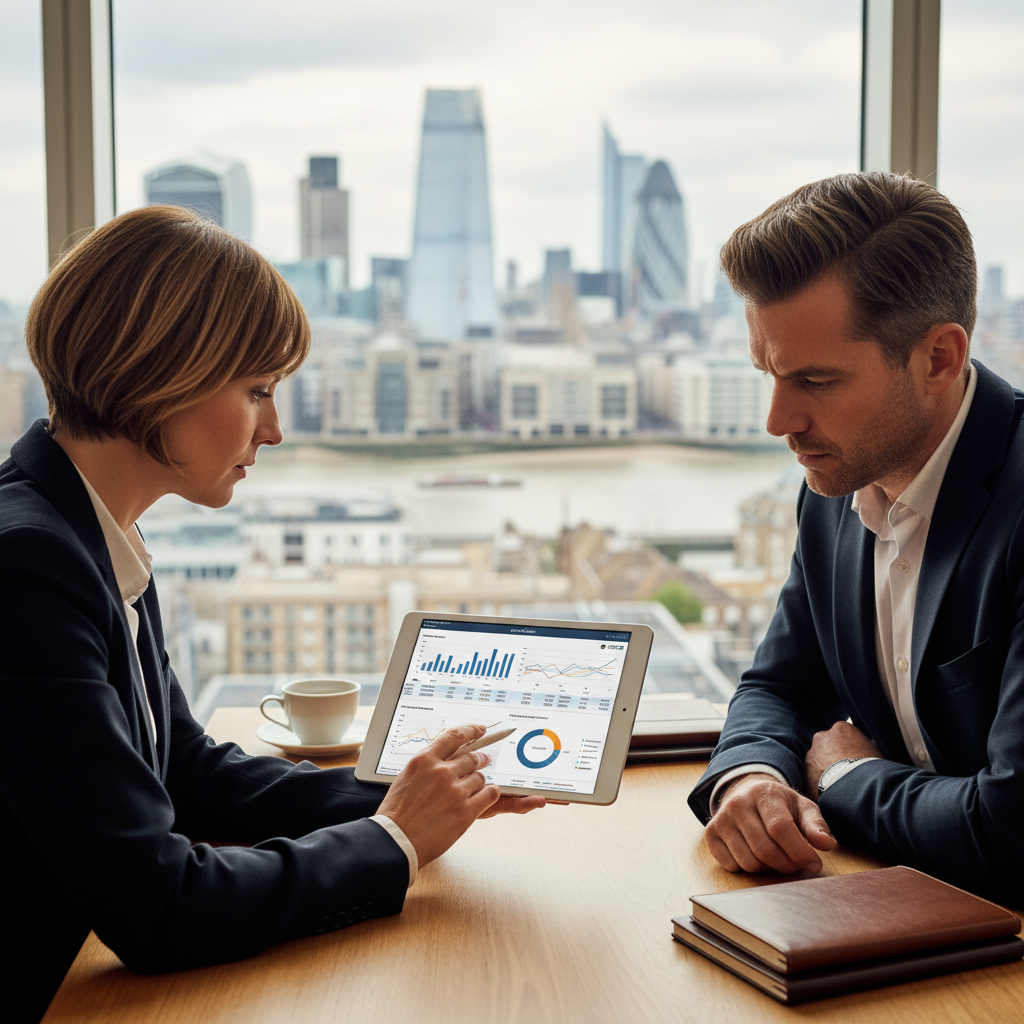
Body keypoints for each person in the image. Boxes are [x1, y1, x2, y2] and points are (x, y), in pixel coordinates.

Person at [1, 205, 544, 1023]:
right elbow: (160, 907)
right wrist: (393, 843)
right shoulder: (28, 566)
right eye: (257, 390)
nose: (277, 429)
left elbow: (186, 773)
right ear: (162, 371)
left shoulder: (82, 533)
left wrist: (417, 791)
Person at [687, 171, 1024, 904]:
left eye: (815, 380)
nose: (779, 421)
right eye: (768, 374)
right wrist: (752, 778)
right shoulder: (837, 481)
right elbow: (781, 684)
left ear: (938, 358)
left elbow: (1012, 829)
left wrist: (844, 777)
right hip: (902, 906)